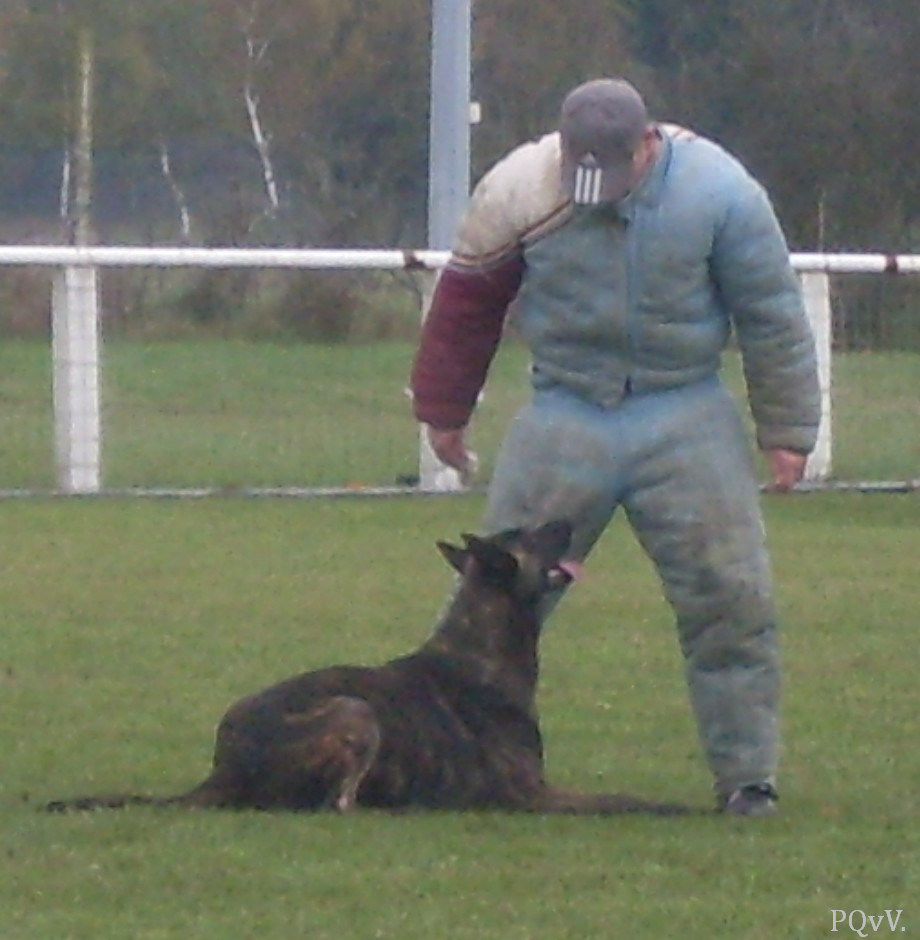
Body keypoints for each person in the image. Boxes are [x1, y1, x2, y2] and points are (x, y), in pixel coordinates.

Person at [409, 78, 821, 817]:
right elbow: (467, 303)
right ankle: (454, 764)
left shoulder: (722, 193)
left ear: (647, 144)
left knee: (730, 598)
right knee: (489, 597)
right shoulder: (518, 191)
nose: (592, 191)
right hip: (564, 411)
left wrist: (787, 428)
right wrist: (444, 409)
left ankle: (747, 778)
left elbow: (770, 313)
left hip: (685, 413)